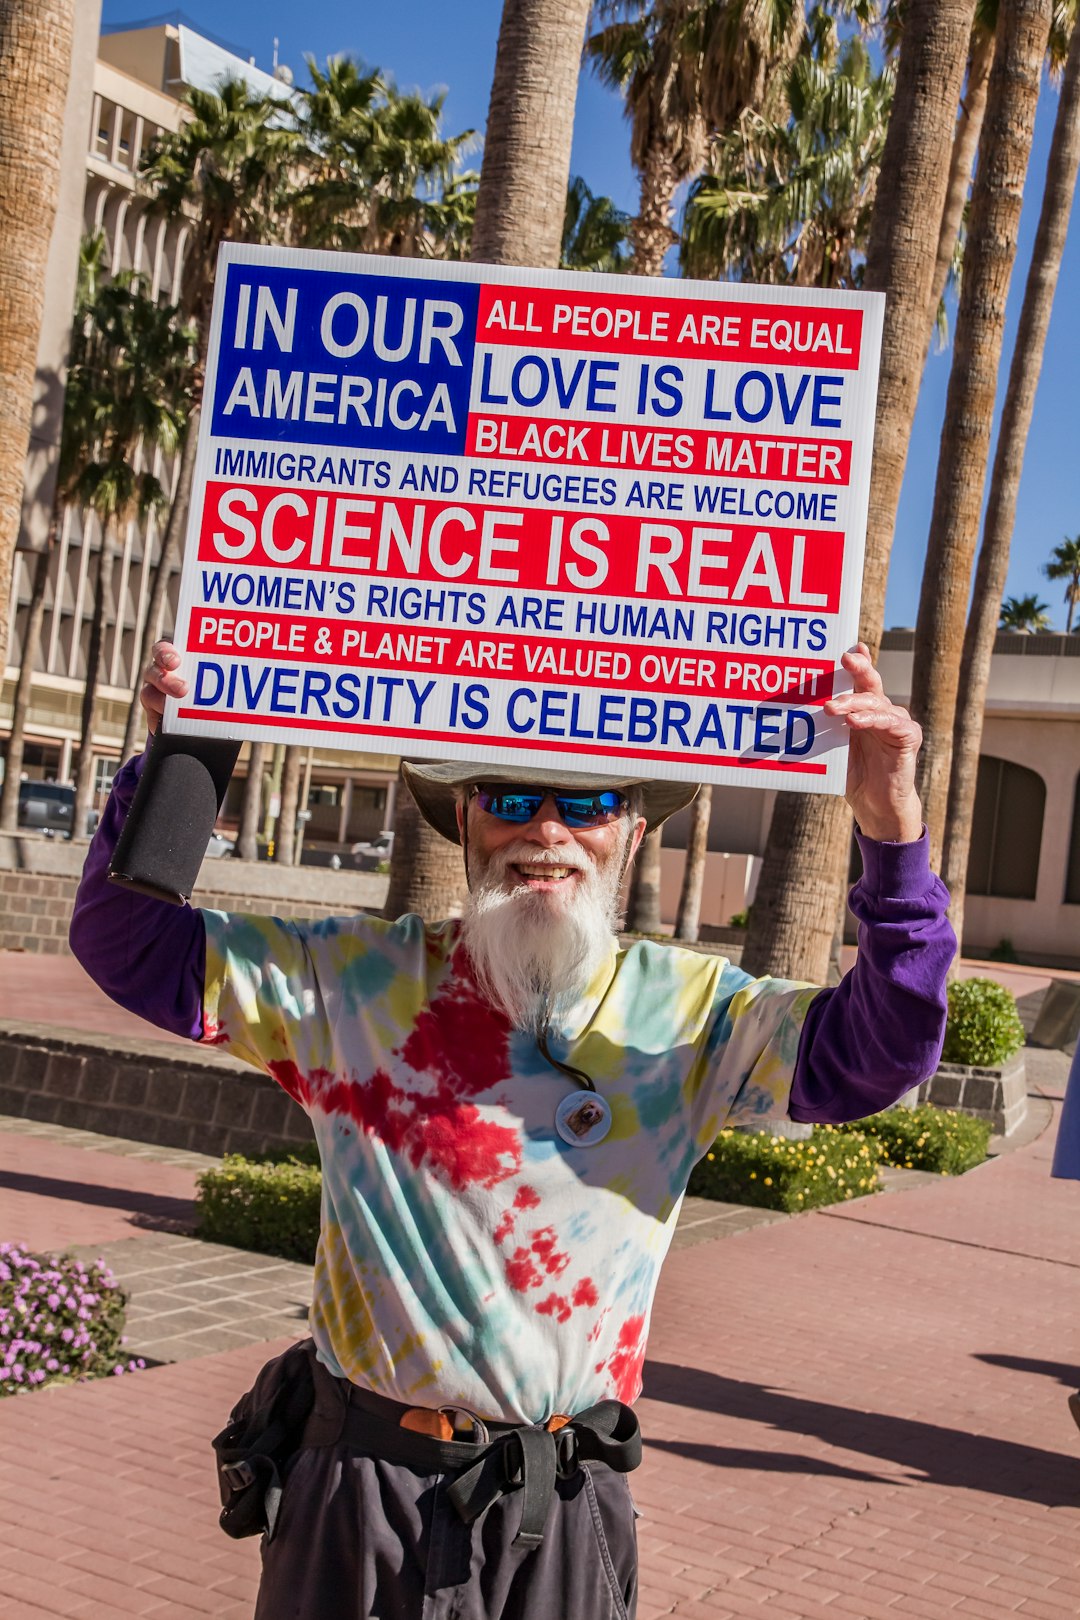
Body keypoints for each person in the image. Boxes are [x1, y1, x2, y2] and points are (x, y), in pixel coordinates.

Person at [70, 638, 955, 1620]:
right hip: (364, 1484)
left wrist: (895, 833)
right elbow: (129, 942)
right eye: (512, 796)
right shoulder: (353, 981)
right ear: (463, 816)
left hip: (562, 1501)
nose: (548, 829)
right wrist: (187, 749)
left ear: (627, 828)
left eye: (585, 804)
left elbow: (879, 1054)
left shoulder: (695, 1011)